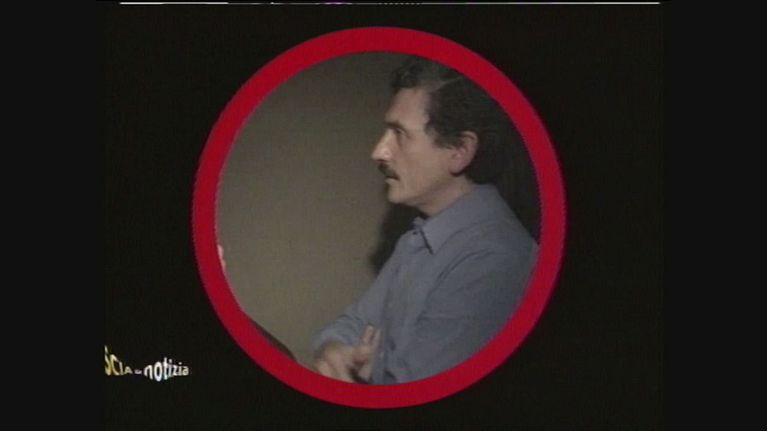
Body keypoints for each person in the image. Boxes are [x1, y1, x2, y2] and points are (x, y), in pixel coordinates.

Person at [312, 56, 538, 384]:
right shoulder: (419, 237)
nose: (378, 151)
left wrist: (369, 370)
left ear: (459, 150)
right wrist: (333, 348)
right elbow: (350, 324)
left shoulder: (494, 257)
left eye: (399, 133)